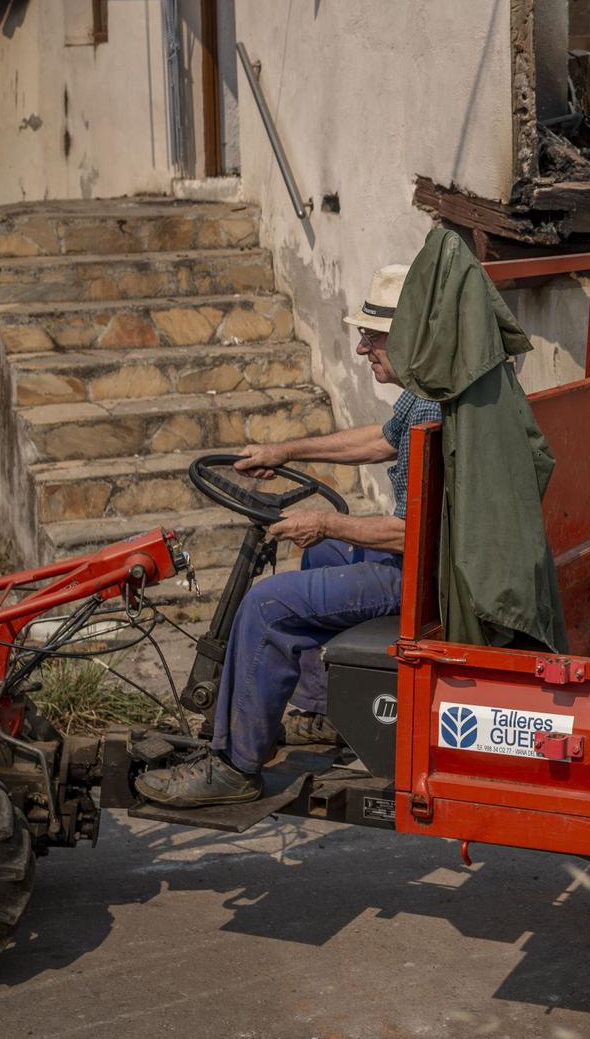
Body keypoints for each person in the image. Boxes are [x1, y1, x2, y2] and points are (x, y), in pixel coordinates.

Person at [135, 265, 436, 808]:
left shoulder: (437, 406)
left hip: (424, 572)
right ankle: (326, 713)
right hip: (425, 556)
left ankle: (234, 766)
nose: (364, 346)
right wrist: (287, 451)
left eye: (375, 335)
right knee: (322, 553)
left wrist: (326, 521)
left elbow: (417, 533)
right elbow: (378, 440)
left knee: (268, 603)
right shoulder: (426, 392)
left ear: (412, 332)